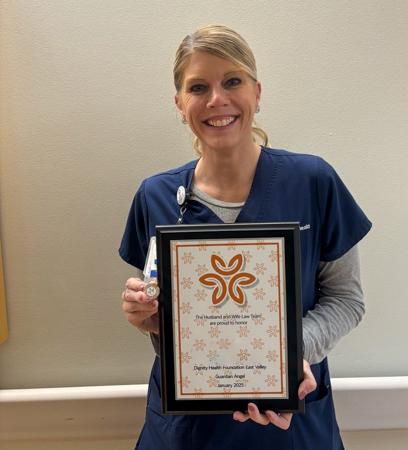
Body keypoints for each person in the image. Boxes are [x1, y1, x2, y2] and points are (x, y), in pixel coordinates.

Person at [119, 24, 371, 450]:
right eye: (198, 87)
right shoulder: (156, 197)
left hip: (290, 423)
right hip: (188, 431)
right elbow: (167, 322)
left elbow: (347, 299)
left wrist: (286, 358)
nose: (217, 100)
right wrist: (145, 314)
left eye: (232, 81)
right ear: (180, 104)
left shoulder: (313, 181)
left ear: (256, 92)